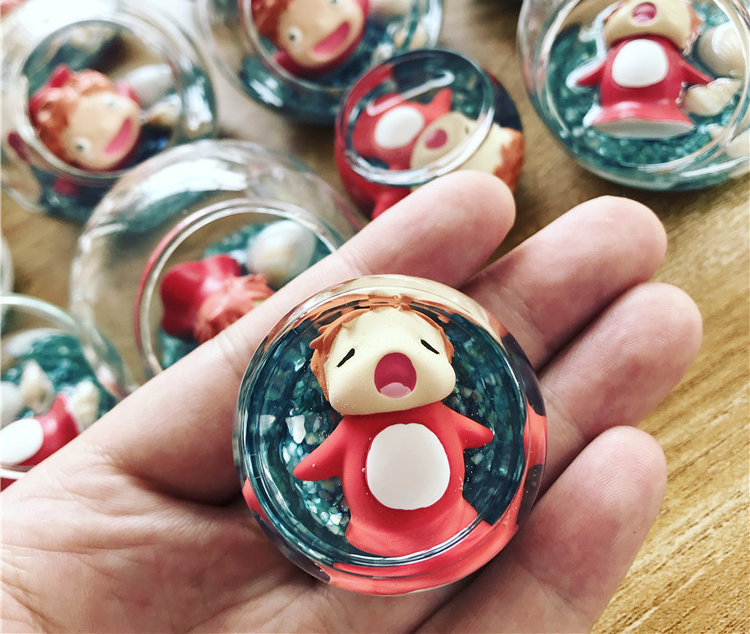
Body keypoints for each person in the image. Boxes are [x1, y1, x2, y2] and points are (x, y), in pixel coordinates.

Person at [1, 173, 702, 632]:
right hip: (370, 533)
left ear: (446, 359)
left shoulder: (454, 404)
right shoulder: (324, 431)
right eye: (351, 361)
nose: (394, 367)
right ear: (329, 379)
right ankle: (383, 532)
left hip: (452, 518)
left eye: (424, 349)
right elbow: (318, 464)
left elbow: (474, 433)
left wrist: (479, 439)